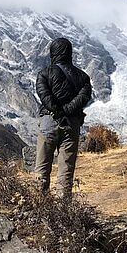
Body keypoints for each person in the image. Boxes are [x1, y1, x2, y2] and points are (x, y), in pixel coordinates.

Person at [35, 37, 93, 198]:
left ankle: (40, 205)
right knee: (66, 168)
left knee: (42, 167)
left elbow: (44, 96)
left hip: (48, 122)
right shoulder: (83, 77)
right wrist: (67, 111)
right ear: (70, 53)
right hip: (71, 124)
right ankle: (63, 210)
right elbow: (84, 97)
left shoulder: (44, 73)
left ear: (52, 52)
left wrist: (58, 112)